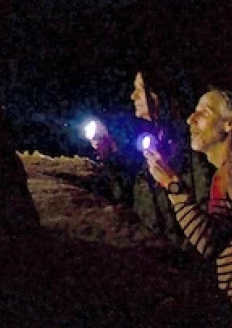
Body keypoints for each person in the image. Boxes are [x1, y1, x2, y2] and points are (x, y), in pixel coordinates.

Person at [145, 87, 232, 324]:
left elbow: (208, 242)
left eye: (203, 113)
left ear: (230, 123)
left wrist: (172, 185)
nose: (190, 119)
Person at [87, 71, 212, 249]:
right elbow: (126, 202)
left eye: (141, 89)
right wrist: (109, 156)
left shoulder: (190, 149)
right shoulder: (152, 144)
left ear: (161, 95)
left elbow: (205, 216)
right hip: (154, 255)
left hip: (182, 262)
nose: (133, 96)